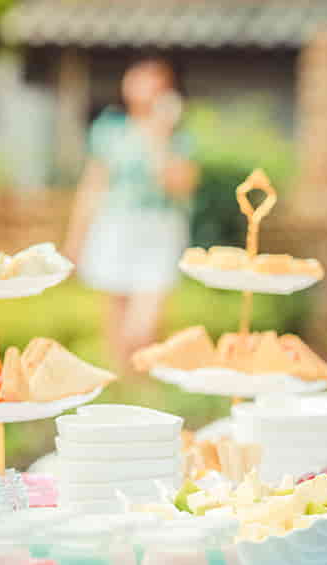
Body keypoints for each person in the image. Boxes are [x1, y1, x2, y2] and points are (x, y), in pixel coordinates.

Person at [65, 59, 199, 369]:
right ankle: (125, 385)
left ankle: (143, 377)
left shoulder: (178, 138)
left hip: (160, 228)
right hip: (114, 224)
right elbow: (92, 186)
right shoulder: (111, 129)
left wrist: (159, 136)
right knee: (115, 315)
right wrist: (75, 240)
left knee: (144, 324)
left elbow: (179, 186)